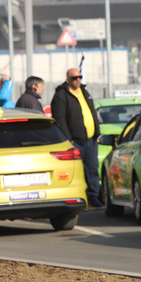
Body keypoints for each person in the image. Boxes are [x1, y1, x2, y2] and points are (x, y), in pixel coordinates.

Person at [50, 67, 103, 207]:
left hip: (90, 140)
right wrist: (69, 139)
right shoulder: (61, 95)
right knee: (76, 171)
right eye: (75, 78)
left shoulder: (84, 92)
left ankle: (94, 197)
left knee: (92, 169)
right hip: (75, 141)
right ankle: (78, 197)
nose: (78, 80)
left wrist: (97, 132)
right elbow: (59, 118)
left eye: (80, 77)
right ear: (68, 79)